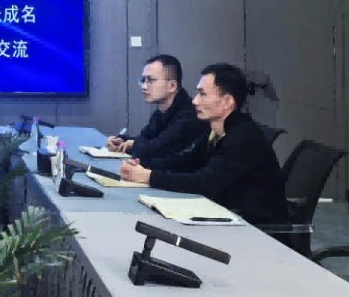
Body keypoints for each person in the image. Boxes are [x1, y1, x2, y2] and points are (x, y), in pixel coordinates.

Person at [118, 63, 289, 226]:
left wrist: (148, 176)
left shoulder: (244, 137)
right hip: (225, 215)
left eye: (202, 94)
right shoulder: (214, 131)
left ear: (227, 102)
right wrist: (141, 167)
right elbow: (185, 162)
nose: (194, 101)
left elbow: (205, 183)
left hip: (254, 229)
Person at [105, 55, 208, 165]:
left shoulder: (189, 115)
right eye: (143, 80)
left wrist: (135, 145)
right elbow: (146, 139)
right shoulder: (161, 112)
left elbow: (154, 151)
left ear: (172, 86)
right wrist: (122, 140)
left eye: (150, 80)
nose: (144, 86)